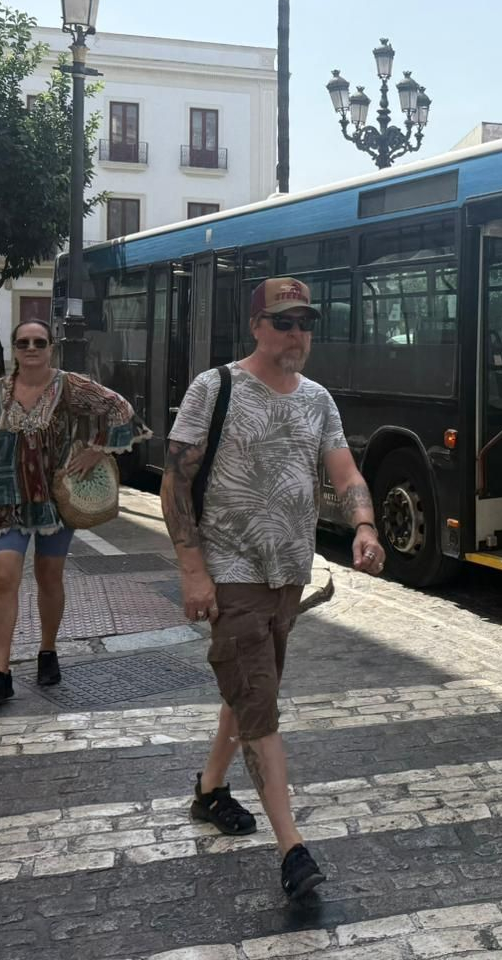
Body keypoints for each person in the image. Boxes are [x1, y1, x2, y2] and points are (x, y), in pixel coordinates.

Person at [160, 277, 384, 902]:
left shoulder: (317, 399)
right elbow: (176, 486)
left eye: (306, 322)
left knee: (247, 691)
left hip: (289, 575)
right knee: (260, 704)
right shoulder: (217, 387)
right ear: (257, 325)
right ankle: (293, 848)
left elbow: (343, 468)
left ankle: (209, 791)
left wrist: (364, 523)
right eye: (284, 322)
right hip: (232, 573)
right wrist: (193, 570)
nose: (296, 334)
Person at [0, 319, 149, 705]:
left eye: (39, 342)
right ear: (14, 348)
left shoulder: (69, 386)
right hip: (7, 497)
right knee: (3, 577)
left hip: (55, 501)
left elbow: (120, 409)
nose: (31, 348)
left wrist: (99, 449)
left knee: (49, 577)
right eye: (24, 342)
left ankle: (47, 650)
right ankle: (0, 672)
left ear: (51, 348)